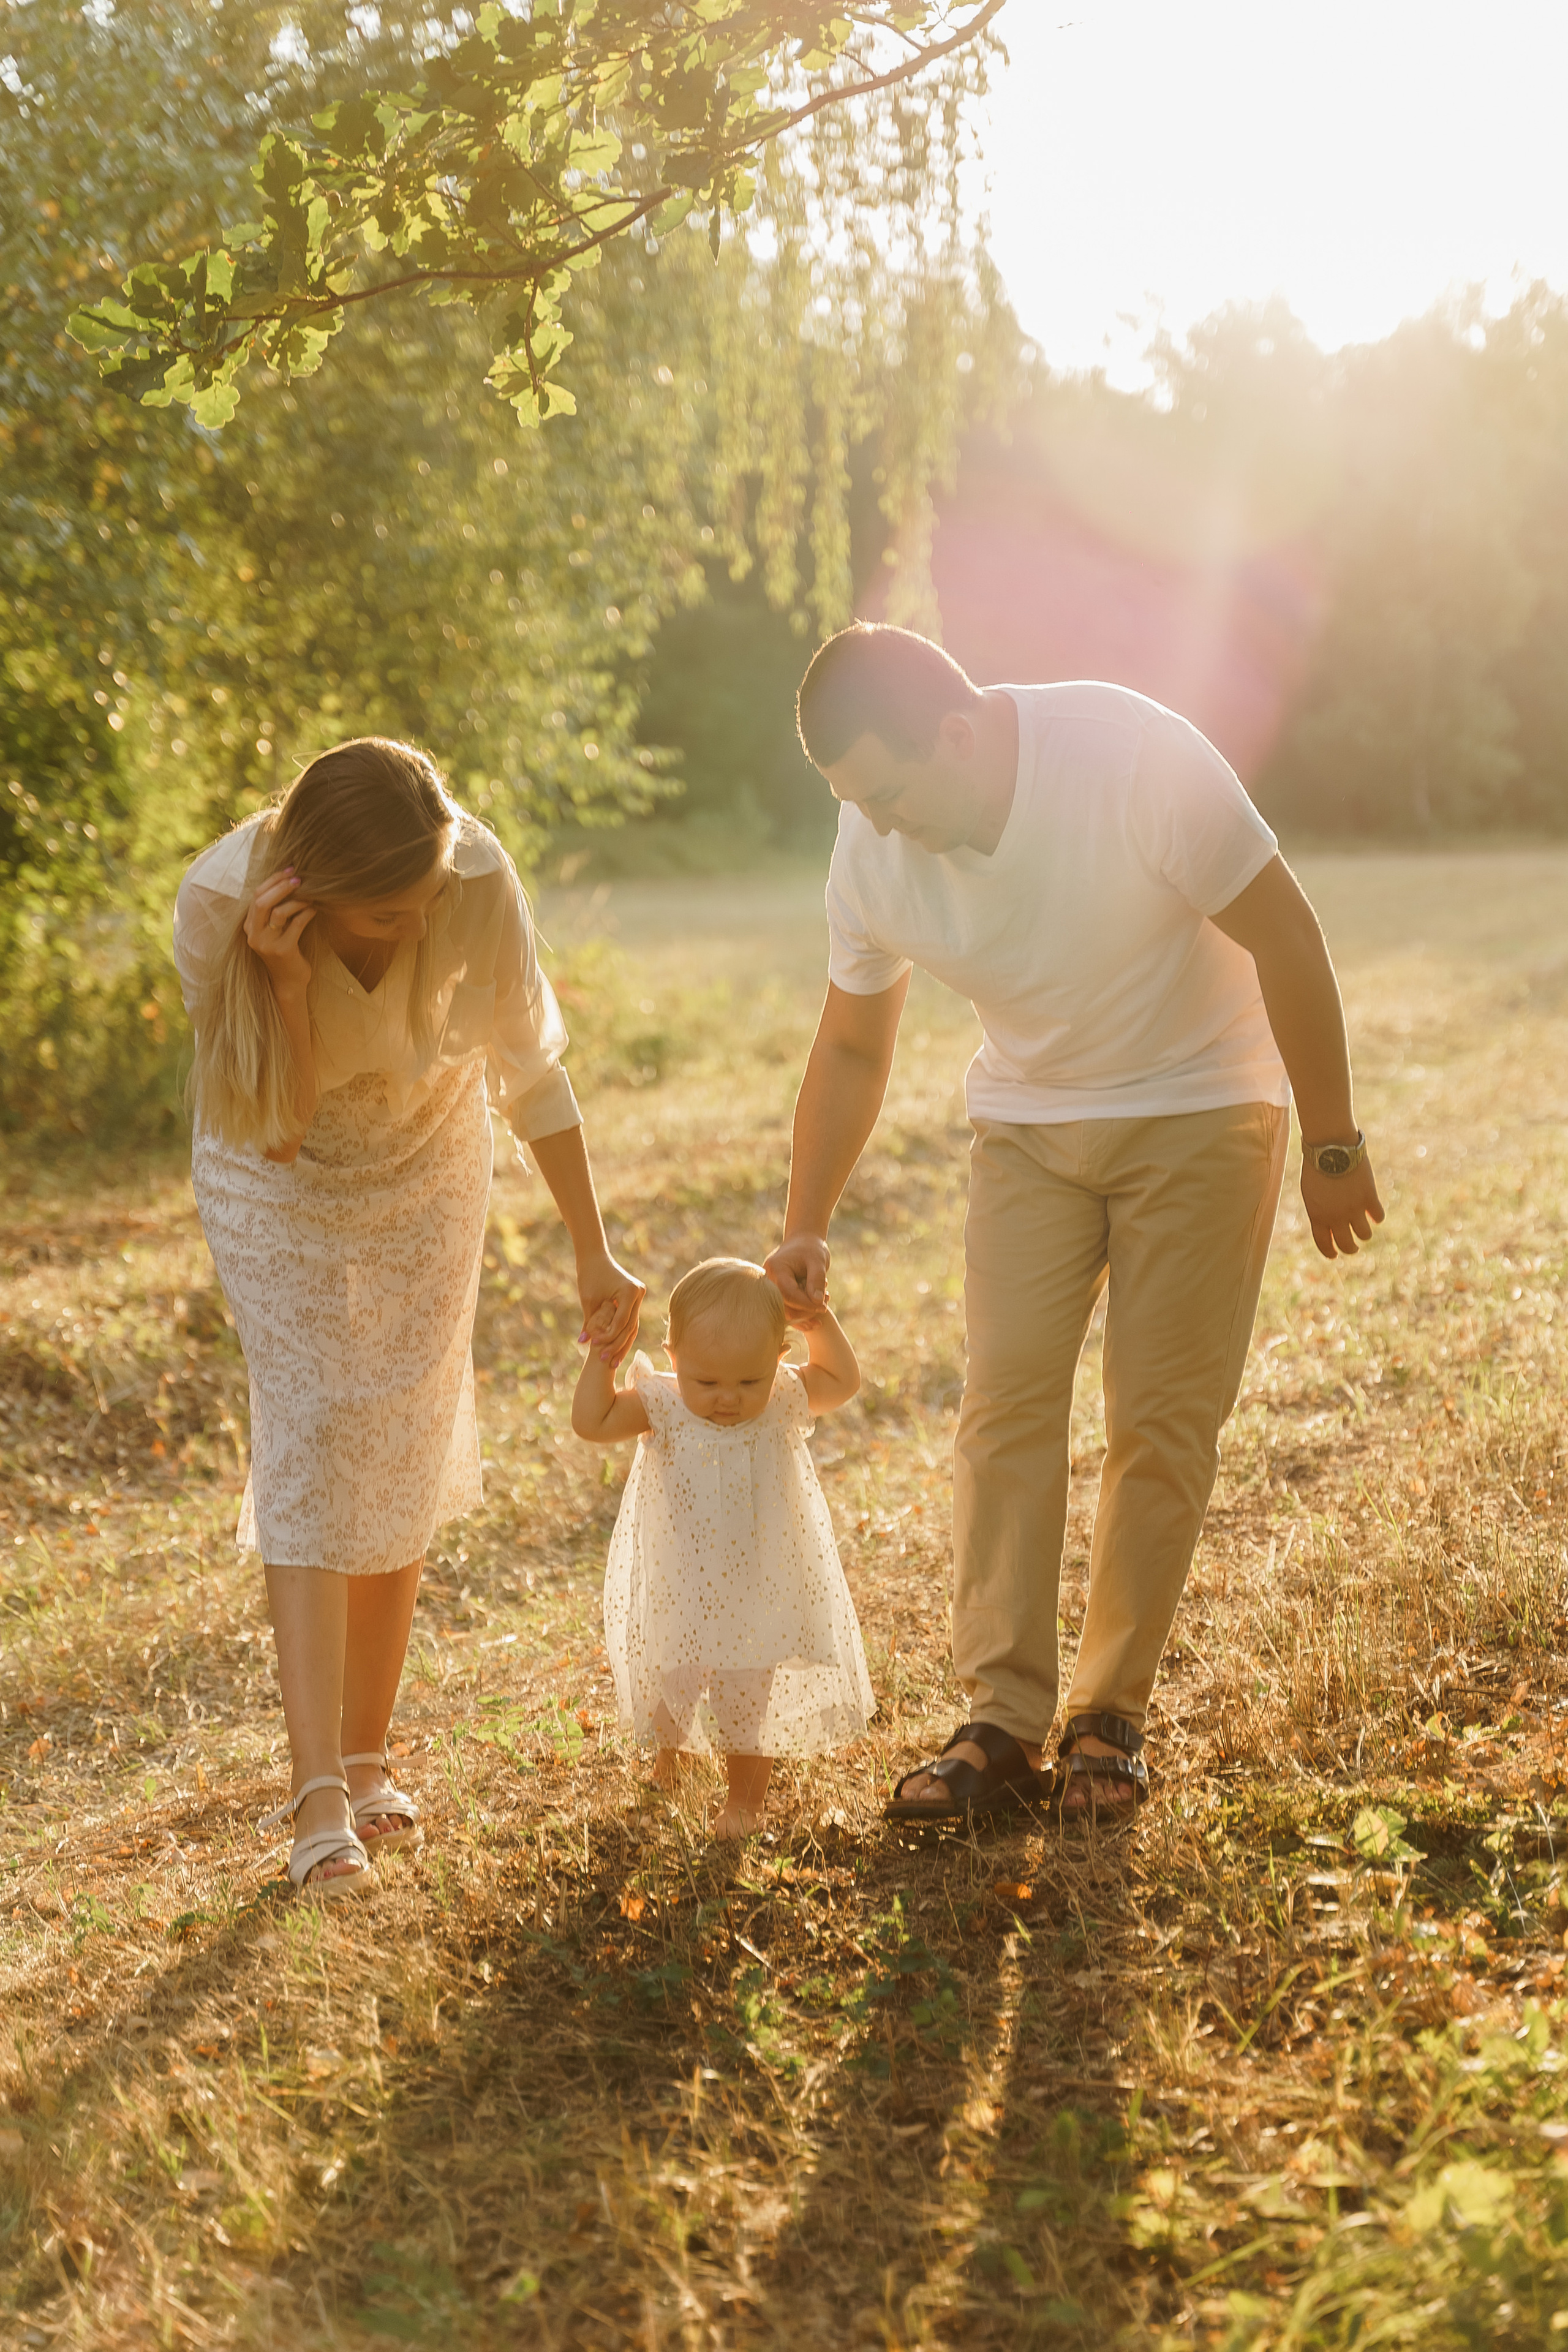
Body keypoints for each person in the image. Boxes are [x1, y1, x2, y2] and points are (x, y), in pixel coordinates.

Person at [765, 625, 1384, 1822]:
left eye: (887, 794)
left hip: (1200, 1106)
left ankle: (1108, 1716)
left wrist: (1330, 1141)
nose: (877, 826)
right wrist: (805, 1220)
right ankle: (997, 1721)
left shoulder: (1129, 759)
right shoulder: (870, 843)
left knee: (1157, 1416)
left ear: (954, 734)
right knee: (1003, 1403)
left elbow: (1284, 934)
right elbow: (849, 1043)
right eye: (854, 804)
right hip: (1031, 1127)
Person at [173, 737, 643, 1895]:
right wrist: (285, 983)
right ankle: (315, 1796)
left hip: (429, 1147)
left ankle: (370, 1756)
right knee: (319, 1423)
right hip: (276, 1161)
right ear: (314, 892)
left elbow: (531, 1073)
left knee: (406, 1424)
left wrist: (595, 1248)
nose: (423, 922)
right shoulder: (221, 905)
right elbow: (273, 1127)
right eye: (390, 912)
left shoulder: (472, 877)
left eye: (427, 898)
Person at [573, 1257, 873, 1839]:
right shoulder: (663, 1404)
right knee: (673, 1680)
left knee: (746, 1697)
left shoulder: (783, 1397)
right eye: (706, 1382)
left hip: (759, 1586)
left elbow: (842, 1381)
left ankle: (744, 1802)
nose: (728, 1399)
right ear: (673, 1356)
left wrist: (816, 1319)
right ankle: (673, 1760)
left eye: (748, 1381)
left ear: (778, 1359)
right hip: (683, 1580)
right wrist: (601, 1356)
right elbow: (593, 1419)